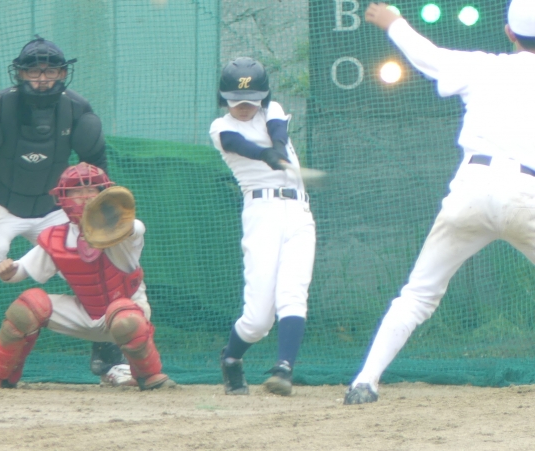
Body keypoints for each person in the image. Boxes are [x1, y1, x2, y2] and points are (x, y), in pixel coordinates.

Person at [344, 1, 535, 405]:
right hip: (526, 193)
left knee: (418, 293)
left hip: (472, 187)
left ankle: (365, 381)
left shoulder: (483, 66)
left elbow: (426, 56)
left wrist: (394, 22)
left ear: (509, 32)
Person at [0, 37, 128, 386]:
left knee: (96, 274)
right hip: (0, 207)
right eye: (34, 71)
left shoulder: (77, 110)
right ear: (19, 73)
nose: (42, 78)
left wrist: (95, 214)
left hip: (55, 209)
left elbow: (96, 167)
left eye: (50, 71)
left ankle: (110, 361)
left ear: (63, 73)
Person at [0, 162, 176, 391]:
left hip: (127, 313)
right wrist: (9, 271)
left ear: (103, 194)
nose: (85, 197)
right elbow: (22, 269)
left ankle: (150, 376)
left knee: (125, 317)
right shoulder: (58, 237)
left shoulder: (121, 228)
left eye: (91, 190)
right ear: (63, 198)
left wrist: (113, 220)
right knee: (26, 308)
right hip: (85, 312)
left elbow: (135, 228)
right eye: (77, 191)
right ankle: (0, 376)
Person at [208, 57, 317, 396]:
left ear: (263, 96)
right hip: (261, 213)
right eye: (236, 99)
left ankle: (283, 368)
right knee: (257, 321)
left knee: (293, 294)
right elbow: (240, 145)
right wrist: (266, 155)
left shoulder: (273, 110)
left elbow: (277, 132)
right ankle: (231, 358)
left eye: (251, 99)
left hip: (298, 211)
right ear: (223, 97)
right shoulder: (220, 127)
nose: (243, 106)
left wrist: (279, 151)